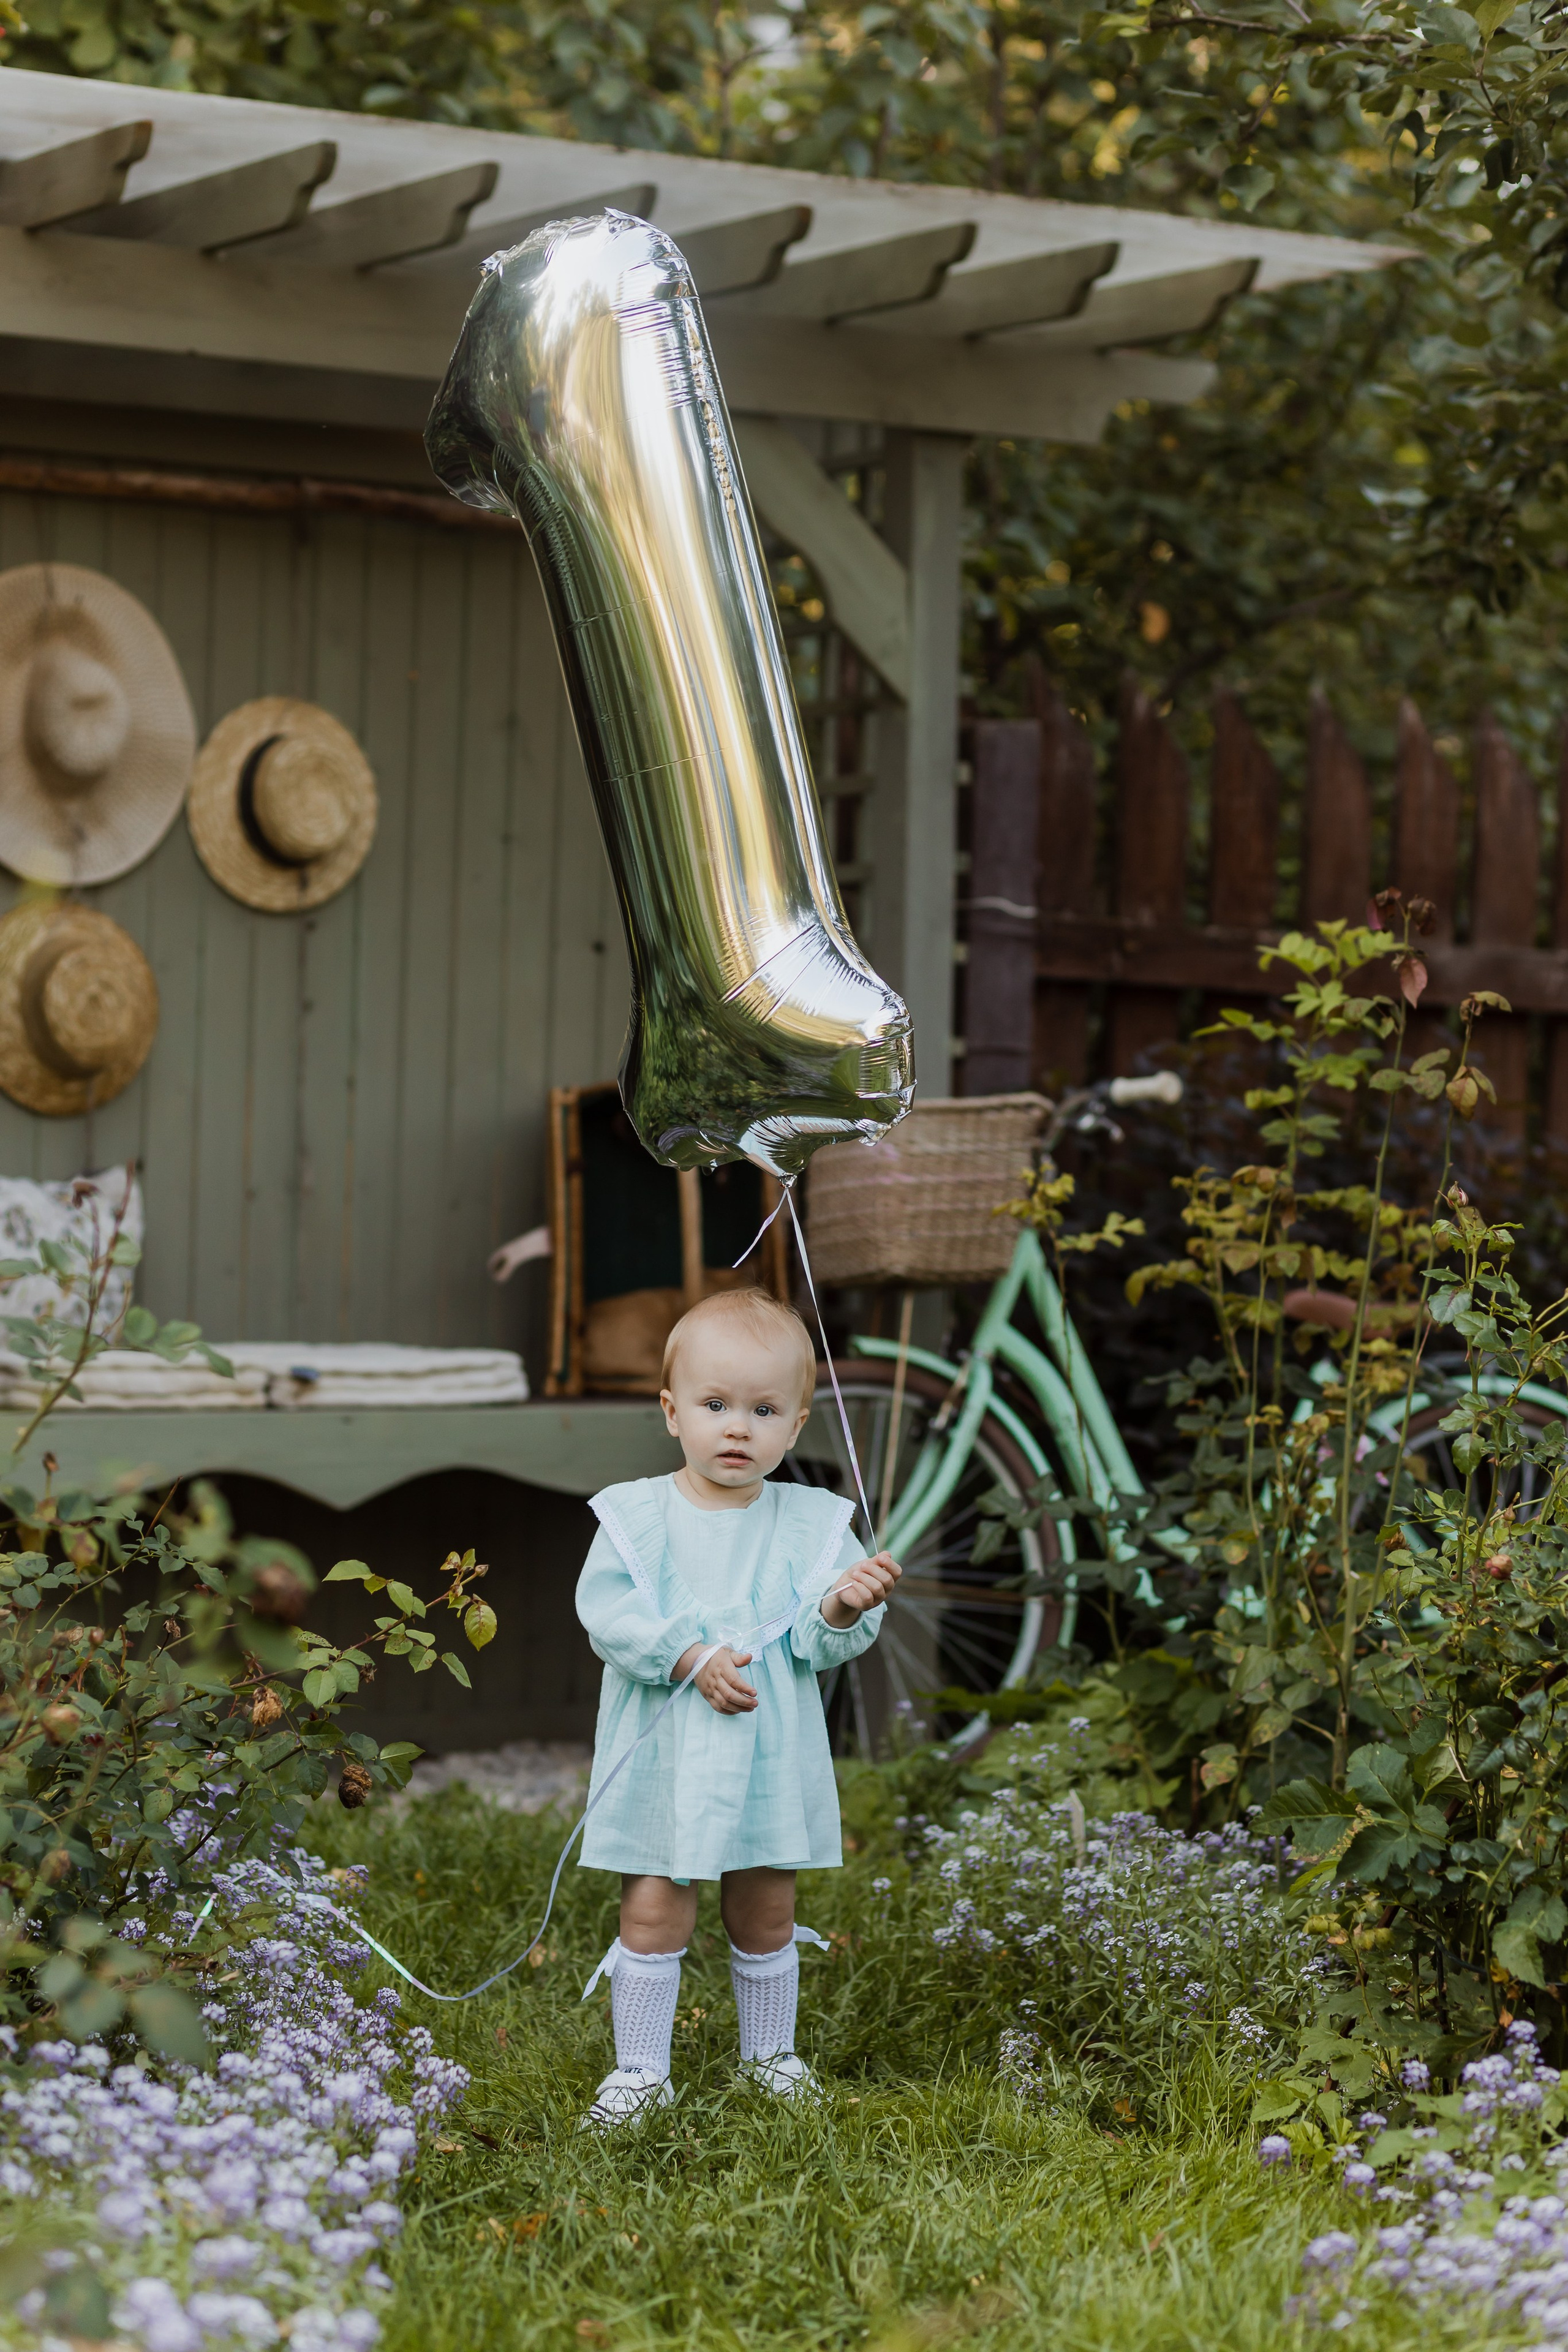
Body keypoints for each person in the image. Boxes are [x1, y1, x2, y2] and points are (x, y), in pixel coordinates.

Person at [574, 1285, 901, 2127]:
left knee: (766, 1903)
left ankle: (770, 2057)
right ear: (672, 1410)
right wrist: (689, 1654)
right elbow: (610, 1616)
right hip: (668, 1748)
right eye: (715, 1405)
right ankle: (642, 2069)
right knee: (655, 1902)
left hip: (766, 1745)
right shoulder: (638, 1516)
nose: (737, 1428)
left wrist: (843, 1606)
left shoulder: (814, 1524)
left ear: (796, 1426)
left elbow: (820, 1641)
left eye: (763, 1410)